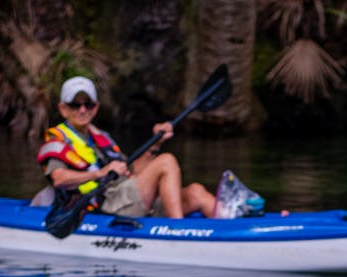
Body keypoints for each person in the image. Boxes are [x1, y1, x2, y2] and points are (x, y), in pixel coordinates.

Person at [36, 76, 216, 219]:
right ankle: (178, 235)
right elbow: (59, 179)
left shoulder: (101, 137)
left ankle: (235, 228)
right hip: (106, 204)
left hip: (125, 197)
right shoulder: (57, 140)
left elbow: (131, 170)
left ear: (96, 107)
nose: (82, 110)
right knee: (166, 161)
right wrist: (100, 173)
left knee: (196, 192)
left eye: (88, 104)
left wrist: (155, 143)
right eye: (75, 104)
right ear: (63, 109)